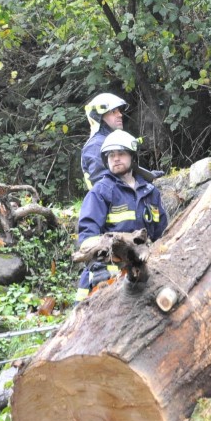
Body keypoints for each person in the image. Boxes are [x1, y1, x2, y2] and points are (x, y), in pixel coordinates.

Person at [75, 129, 168, 301]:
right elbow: (87, 236)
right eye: (111, 155)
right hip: (107, 276)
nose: (115, 158)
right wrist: (97, 266)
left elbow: (162, 235)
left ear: (133, 157)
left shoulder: (151, 193)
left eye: (121, 153)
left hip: (142, 274)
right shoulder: (101, 192)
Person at [81, 93, 128, 189]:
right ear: (99, 117)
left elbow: (125, 175)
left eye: (119, 111)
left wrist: (146, 177)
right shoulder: (95, 145)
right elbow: (102, 184)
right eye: (113, 112)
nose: (120, 115)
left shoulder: (113, 141)